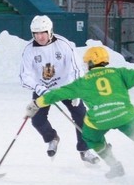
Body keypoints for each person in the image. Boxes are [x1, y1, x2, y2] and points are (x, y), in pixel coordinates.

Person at [25, 46, 134, 180]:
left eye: (87, 63)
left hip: (100, 121)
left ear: (92, 63)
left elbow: (55, 94)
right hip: (125, 116)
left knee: (89, 135)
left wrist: (35, 104)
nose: (86, 66)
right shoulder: (119, 72)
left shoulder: (83, 81)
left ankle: (114, 165)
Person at [20, 15, 99, 164]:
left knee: (82, 117)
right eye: (36, 33)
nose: (39, 36)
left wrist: (77, 90)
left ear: (50, 31)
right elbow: (25, 76)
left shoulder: (63, 44)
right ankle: (52, 138)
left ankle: (85, 150)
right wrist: (39, 88)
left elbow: (76, 68)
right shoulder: (29, 50)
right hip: (43, 88)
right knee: (37, 120)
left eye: (42, 32)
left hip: (67, 86)